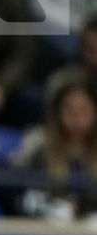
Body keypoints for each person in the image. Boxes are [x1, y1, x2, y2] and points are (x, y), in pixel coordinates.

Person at [13, 79, 97, 220]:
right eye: (70, 109)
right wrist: (55, 207)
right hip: (49, 227)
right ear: (58, 113)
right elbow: (21, 197)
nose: (77, 117)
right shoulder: (38, 146)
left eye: (84, 109)